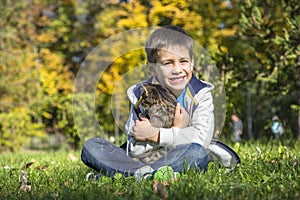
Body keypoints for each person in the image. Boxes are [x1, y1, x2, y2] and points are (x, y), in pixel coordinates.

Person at [81, 26, 234, 181]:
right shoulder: (143, 95)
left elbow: (201, 139)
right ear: (152, 68)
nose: (177, 69)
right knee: (92, 147)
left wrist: (157, 134)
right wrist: (171, 133)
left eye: (183, 61)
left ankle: (129, 176)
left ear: (192, 62)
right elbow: (135, 148)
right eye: (168, 63)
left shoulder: (200, 94)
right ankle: (147, 174)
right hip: (143, 160)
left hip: (180, 156)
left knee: (196, 153)